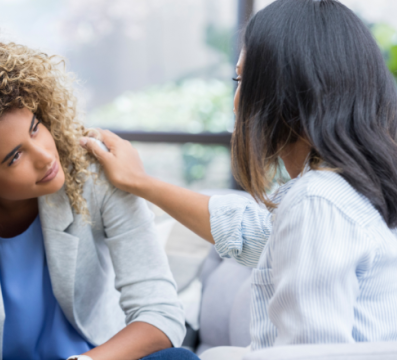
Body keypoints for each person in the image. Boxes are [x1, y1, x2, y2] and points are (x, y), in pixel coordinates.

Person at [80, 0, 397, 358]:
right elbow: (253, 233)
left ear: (287, 89)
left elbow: (309, 354)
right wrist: (141, 183)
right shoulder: (355, 195)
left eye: (242, 79)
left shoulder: (317, 202)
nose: (236, 102)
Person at [0, 31, 198, 360]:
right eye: (14, 157)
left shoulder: (94, 177)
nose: (44, 156)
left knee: (178, 359)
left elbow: (161, 316)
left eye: (36, 127)